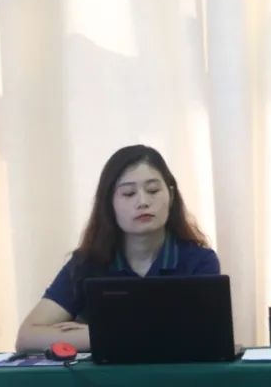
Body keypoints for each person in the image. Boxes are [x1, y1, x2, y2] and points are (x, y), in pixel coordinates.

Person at [16, 144, 220, 351]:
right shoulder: (88, 263)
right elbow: (27, 337)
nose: (143, 202)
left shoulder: (198, 260)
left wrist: (101, 333)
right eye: (129, 193)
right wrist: (107, 336)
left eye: (153, 190)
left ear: (171, 195)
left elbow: (204, 335)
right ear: (109, 204)